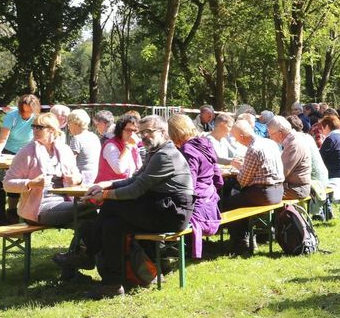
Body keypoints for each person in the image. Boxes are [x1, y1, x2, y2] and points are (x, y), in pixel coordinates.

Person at [63, 115, 195, 298]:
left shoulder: (165, 155)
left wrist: (106, 194)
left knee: (111, 206)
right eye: (141, 133)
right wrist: (106, 185)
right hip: (161, 207)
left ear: (163, 132)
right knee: (112, 226)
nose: (144, 136)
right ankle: (112, 284)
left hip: (172, 213)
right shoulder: (155, 152)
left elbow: (137, 189)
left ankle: (86, 252)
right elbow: (134, 179)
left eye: (148, 131)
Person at [2, 113, 82, 228]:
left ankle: (82, 246)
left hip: (65, 202)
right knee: (87, 208)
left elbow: (78, 176)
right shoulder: (26, 152)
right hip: (38, 208)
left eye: (39, 127)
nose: (34, 130)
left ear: (51, 130)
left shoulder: (65, 150)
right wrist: (31, 183)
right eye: (33, 126)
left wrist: (76, 179)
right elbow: (7, 184)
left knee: (87, 222)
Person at [222, 120, 285, 255]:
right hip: (278, 191)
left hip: (263, 194)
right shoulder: (270, 143)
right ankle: (248, 239)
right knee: (238, 199)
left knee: (228, 203)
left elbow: (243, 181)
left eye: (235, 137)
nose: (235, 140)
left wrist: (239, 168)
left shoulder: (253, 149)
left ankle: (240, 243)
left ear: (242, 136)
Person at [167, 114, 222, 259]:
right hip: (210, 199)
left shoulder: (187, 149)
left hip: (197, 202)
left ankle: (169, 252)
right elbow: (218, 176)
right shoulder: (206, 143)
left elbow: (188, 182)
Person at [319, 113, 340, 217]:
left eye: (322, 128)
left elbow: (320, 159)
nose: (321, 131)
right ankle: (326, 210)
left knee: (315, 180)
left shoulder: (331, 139)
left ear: (327, 127)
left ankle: (320, 212)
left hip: (337, 175)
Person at [95, 114, 143, 183]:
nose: (131, 134)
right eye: (128, 130)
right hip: (107, 189)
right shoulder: (111, 145)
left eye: (134, 130)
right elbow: (119, 169)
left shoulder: (132, 144)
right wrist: (128, 147)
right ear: (120, 130)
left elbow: (139, 167)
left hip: (125, 186)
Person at [66, 109, 102, 186]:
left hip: (80, 179)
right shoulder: (94, 137)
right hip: (93, 177)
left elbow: (69, 162)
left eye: (68, 123)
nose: (68, 126)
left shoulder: (77, 139)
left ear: (75, 123)